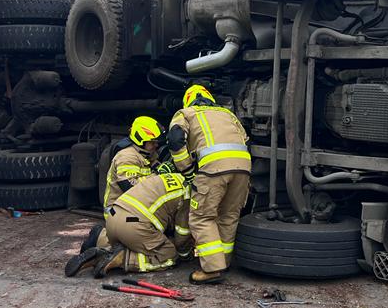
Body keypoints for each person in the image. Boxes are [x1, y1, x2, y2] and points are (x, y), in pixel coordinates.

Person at [65, 115, 172, 276]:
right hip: (119, 211)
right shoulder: (126, 157)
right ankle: (104, 242)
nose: (156, 145)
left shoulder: (147, 154)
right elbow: (130, 187)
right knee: (152, 245)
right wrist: (157, 176)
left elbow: (156, 169)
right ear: (140, 139)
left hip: (134, 208)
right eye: (152, 142)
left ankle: (102, 240)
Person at [167, 84, 251, 285]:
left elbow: (175, 140)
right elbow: (246, 139)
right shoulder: (228, 114)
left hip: (213, 169)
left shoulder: (185, 114)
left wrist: (187, 170)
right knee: (229, 216)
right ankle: (224, 262)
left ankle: (212, 269)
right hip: (243, 168)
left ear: (188, 101)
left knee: (201, 217)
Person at [95, 170, 192, 277]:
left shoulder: (169, 177)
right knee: (168, 254)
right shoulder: (187, 195)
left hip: (113, 218)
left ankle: (100, 241)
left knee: (134, 243)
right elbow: (182, 235)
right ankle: (123, 259)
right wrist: (185, 254)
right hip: (133, 225)